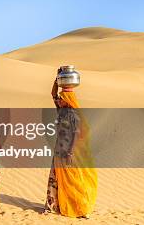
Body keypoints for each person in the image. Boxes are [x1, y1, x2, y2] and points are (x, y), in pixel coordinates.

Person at [43, 69, 98, 218]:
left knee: (73, 181)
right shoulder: (62, 110)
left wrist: (71, 152)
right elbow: (53, 94)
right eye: (60, 98)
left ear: (67, 99)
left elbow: (76, 134)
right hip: (59, 149)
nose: (59, 99)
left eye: (62, 98)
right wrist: (57, 79)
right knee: (56, 178)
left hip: (68, 151)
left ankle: (80, 207)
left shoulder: (73, 114)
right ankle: (54, 205)